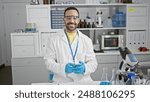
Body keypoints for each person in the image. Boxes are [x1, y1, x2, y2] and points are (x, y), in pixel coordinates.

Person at [44, 7, 97, 83]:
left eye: (74, 18)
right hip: (61, 81)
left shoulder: (86, 40)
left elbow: (93, 63)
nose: (71, 21)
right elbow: (48, 62)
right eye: (68, 18)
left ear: (78, 20)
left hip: (83, 82)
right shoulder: (53, 39)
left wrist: (85, 68)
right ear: (64, 20)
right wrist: (62, 68)